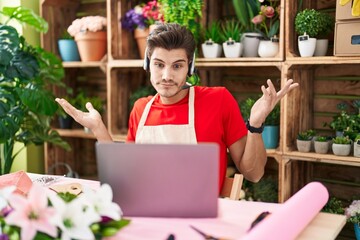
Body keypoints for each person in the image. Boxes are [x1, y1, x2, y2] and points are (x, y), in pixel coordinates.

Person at [56, 23, 299, 191]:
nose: (166, 75)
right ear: (147, 64)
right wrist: (99, 129)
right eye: (159, 64)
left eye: (177, 66)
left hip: (197, 222)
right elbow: (126, 177)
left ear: (190, 68)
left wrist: (255, 124)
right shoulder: (140, 109)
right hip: (146, 217)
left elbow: (254, 174)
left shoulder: (218, 101)